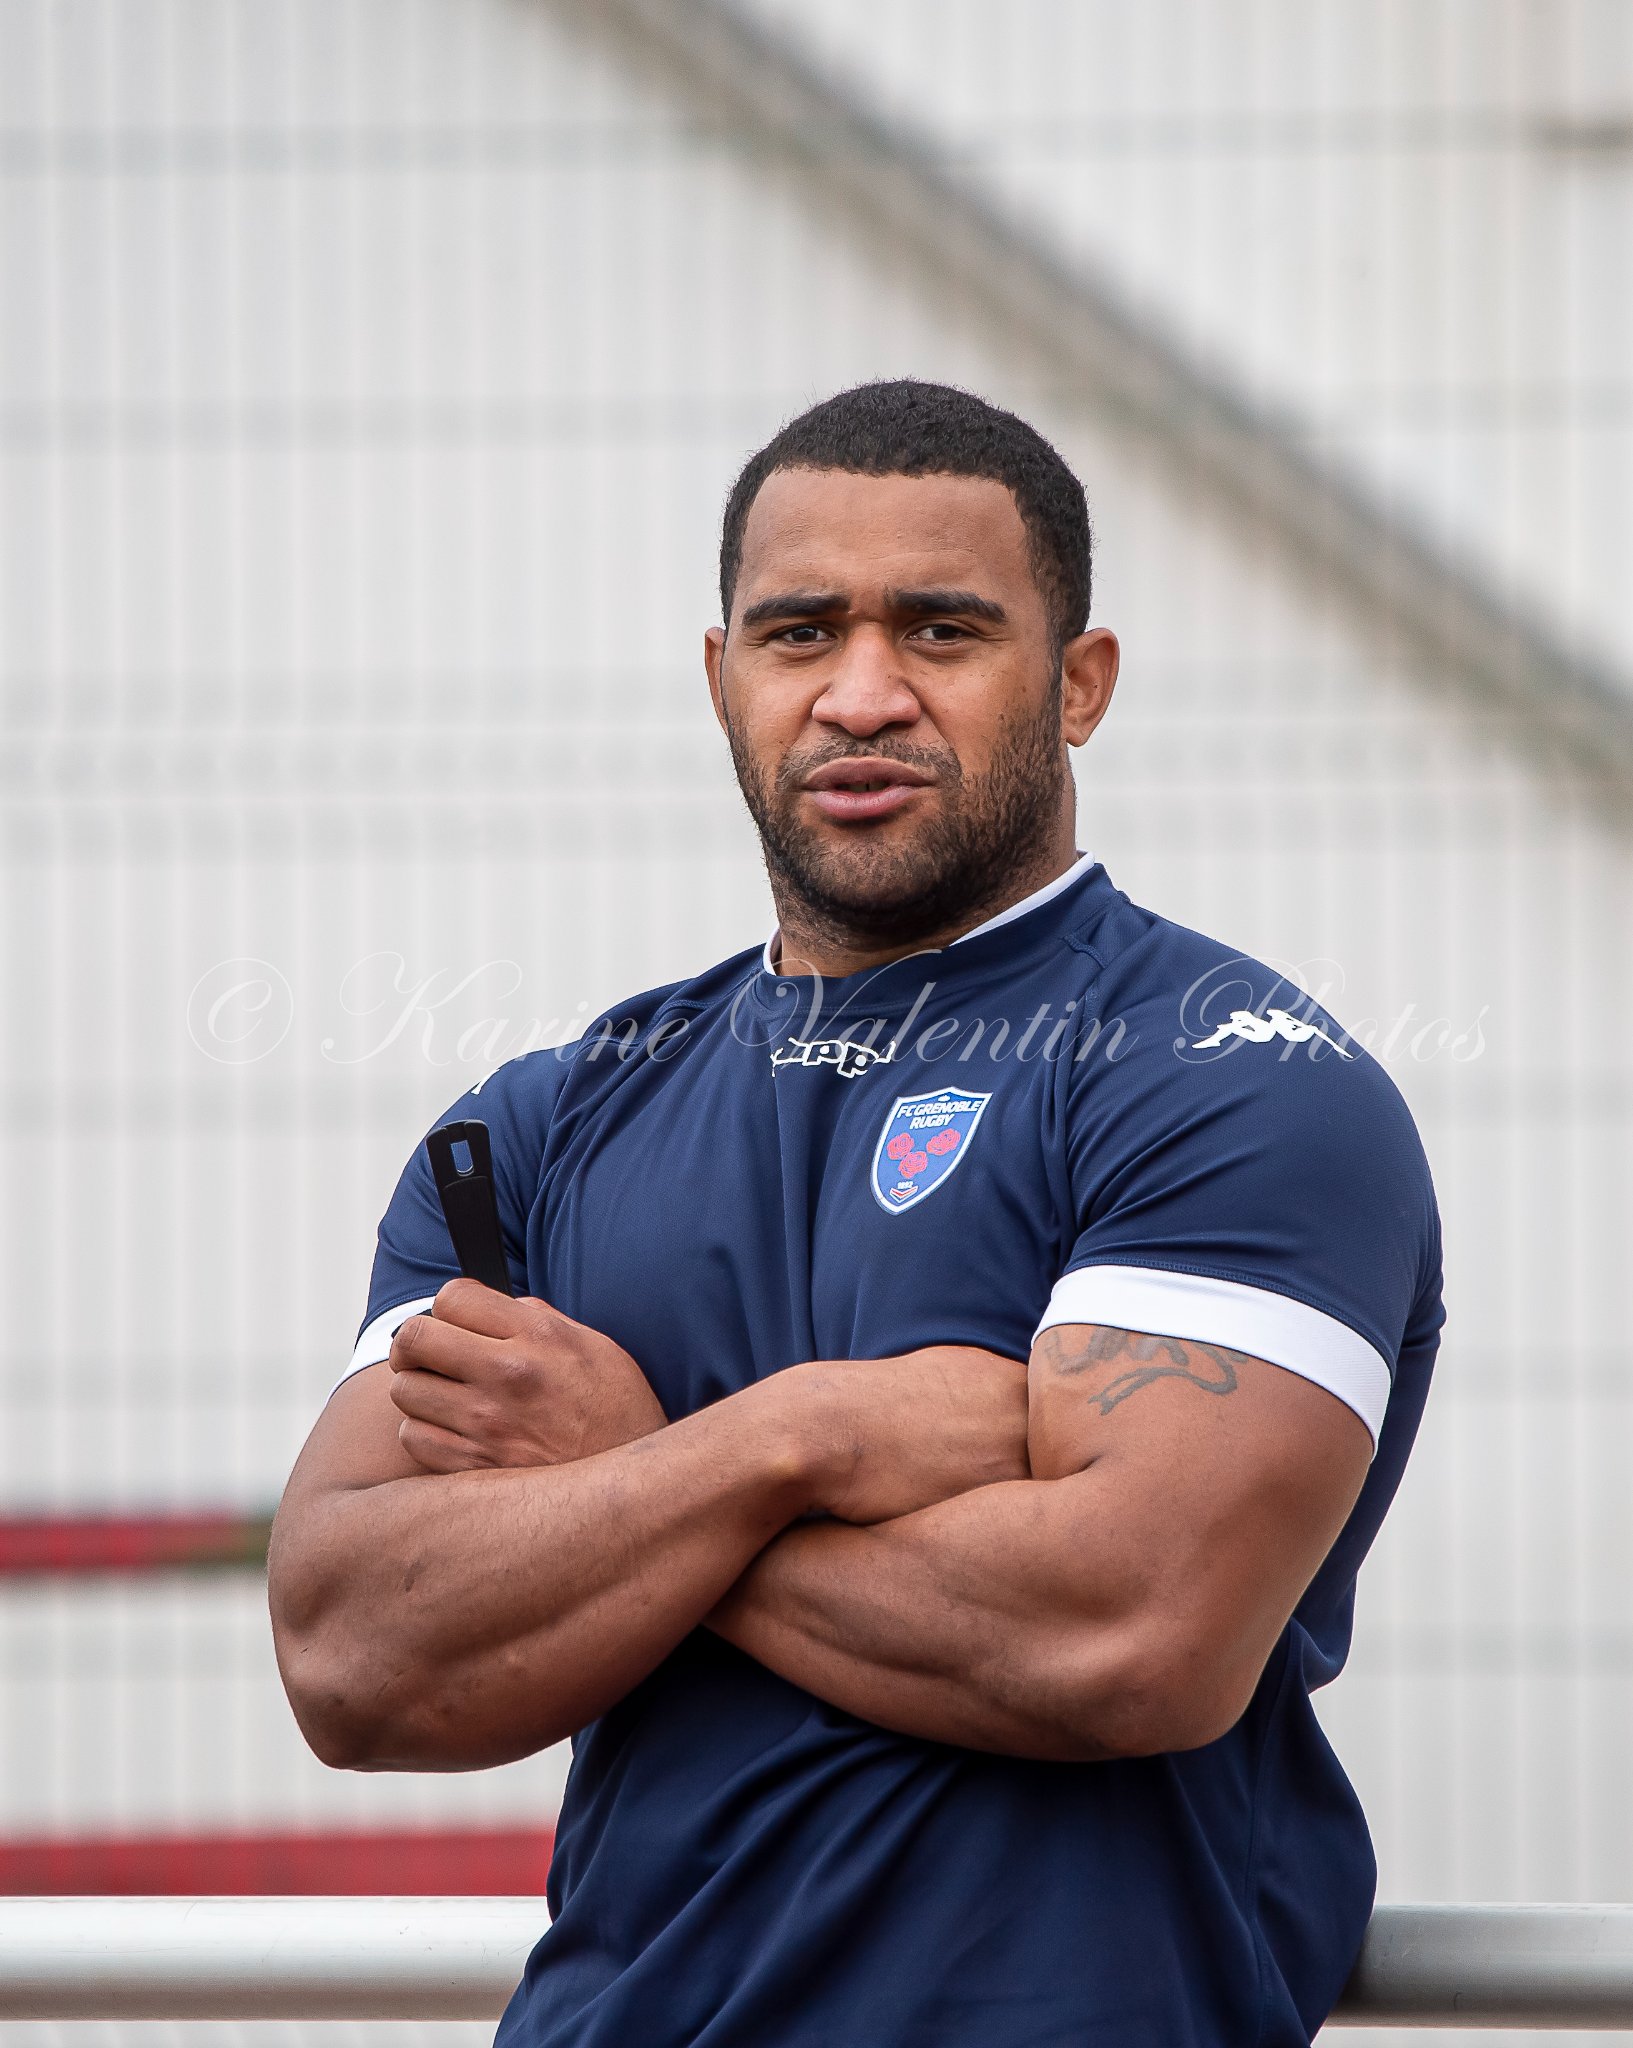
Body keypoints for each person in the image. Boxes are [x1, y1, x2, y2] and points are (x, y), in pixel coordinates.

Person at [269, 379, 1442, 2047]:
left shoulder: (1226, 1078)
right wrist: (784, 1441)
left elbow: (1132, 1635)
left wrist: (616, 1482)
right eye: (799, 630)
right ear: (720, 676)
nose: (862, 693)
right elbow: (351, 1656)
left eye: (943, 629)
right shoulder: (534, 1129)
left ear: (1080, 683)